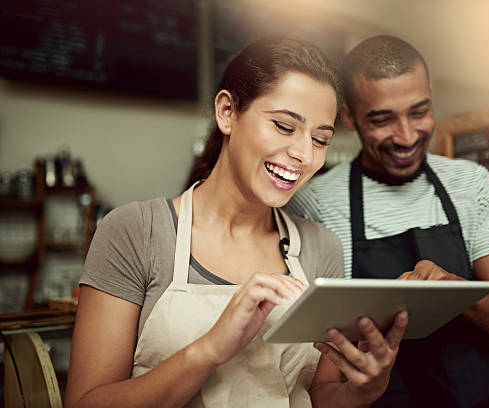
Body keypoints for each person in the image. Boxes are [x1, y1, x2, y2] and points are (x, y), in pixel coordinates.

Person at [65, 37, 408, 408]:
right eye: (283, 126)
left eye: (320, 138)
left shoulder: (321, 248)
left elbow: (319, 395)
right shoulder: (134, 232)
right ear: (227, 111)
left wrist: (362, 390)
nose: (304, 155)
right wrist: (211, 349)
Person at [285, 35, 489, 407]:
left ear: (430, 95)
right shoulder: (313, 201)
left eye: (419, 111)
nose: (407, 135)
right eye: (383, 119)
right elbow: (318, 356)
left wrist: (453, 289)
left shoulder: (470, 183)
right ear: (348, 116)